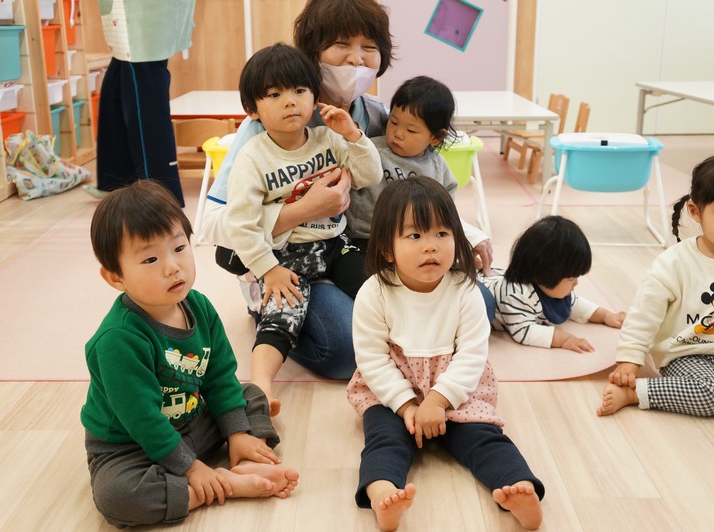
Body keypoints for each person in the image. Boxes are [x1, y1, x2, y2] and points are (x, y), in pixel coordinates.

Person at [81, 180, 298, 527]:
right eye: (150, 259)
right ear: (115, 278)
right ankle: (220, 485)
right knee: (117, 496)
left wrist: (236, 433)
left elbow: (219, 376)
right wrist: (193, 469)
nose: (172, 266)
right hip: (131, 445)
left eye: (179, 247)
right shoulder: (118, 340)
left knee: (249, 395)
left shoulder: (199, 307)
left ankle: (245, 455)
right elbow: (144, 421)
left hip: (191, 420)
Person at [201, 0, 394, 384]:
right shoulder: (262, 132)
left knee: (399, 303)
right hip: (283, 256)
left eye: (369, 47)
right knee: (344, 352)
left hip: (341, 245)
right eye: (341, 44)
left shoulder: (370, 116)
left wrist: (467, 234)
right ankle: (265, 307)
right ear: (313, 51)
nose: (356, 59)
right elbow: (213, 227)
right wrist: (305, 209)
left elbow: (405, 178)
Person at [347, 177, 545, 531]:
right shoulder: (373, 293)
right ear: (387, 249)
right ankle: (382, 494)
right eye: (415, 235)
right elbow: (372, 360)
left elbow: (471, 355)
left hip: (455, 391)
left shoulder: (466, 291)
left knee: (482, 436)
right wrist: (407, 406)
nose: (431, 247)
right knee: (384, 440)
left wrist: (438, 401)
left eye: (442, 233)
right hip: (392, 392)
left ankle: (518, 486)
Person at [222, 43, 382, 415]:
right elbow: (241, 225)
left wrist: (353, 135)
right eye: (274, 95)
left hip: (334, 244)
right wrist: (268, 269)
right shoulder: (253, 157)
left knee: (377, 290)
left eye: (299, 90)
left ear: (313, 96)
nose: (290, 101)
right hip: (285, 256)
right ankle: (260, 385)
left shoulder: (328, 140)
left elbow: (369, 175)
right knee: (282, 318)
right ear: (253, 109)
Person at [598, 152, 714, 417]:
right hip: (688, 353)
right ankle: (637, 393)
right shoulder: (673, 263)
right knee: (713, 396)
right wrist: (629, 358)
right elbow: (643, 315)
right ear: (696, 211)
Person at [345, 75, 496, 320]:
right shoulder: (371, 150)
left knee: (480, 300)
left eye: (411, 130)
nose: (397, 134)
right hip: (369, 241)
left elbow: (446, 217)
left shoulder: (438, 167)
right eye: (393, 122)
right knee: (376, 292)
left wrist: (469, 238)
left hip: (420, 247)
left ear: (435, 137)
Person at [83, 0, 192, 205]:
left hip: (144, 14)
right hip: (130, 14)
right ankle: (117, 181)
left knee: (145, 96)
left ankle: (161, 193)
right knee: (116, 87)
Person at [481, 215, 625, 352]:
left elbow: (575, 304)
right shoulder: (516, 294)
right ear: (545, 274)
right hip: (481, 287)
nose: (576, 284)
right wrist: (564, 339)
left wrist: (606, 316)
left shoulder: (550, 287)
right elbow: (523, 331)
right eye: (571, 279)